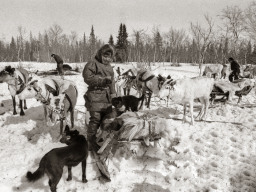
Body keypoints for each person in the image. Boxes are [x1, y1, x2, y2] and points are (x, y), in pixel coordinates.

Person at [82, 44, 116, 181]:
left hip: (107, 99)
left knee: (106, 119)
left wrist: (114, 96)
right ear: (100, 55)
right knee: (95, 119)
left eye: (109, 57)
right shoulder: (92, 63)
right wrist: (102, 81)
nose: (107, 59)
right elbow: (87, 77)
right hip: (95, 96)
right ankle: (90, 142)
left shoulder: (110, 68)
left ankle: (102, 138)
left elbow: (112, 83)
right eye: (105, 56)